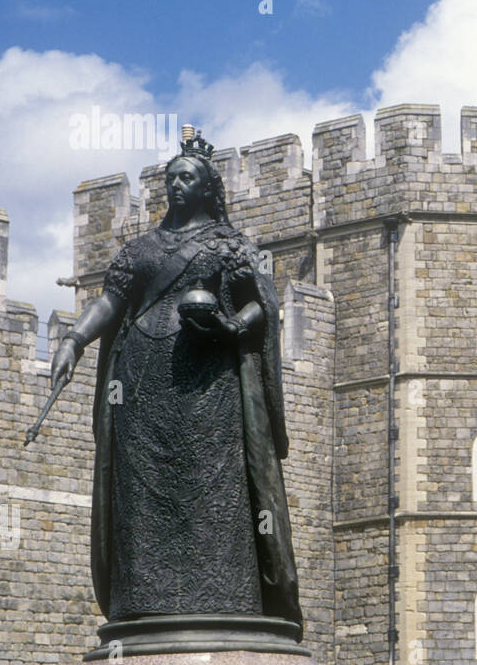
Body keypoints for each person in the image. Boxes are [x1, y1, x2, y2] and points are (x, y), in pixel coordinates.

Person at [52, 129, 302, 631]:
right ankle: (142, 602)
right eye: (171, 179)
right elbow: (111, 301)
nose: (176, 186)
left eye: (186, 177)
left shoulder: (229, 244)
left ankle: (226, 601)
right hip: (141, 386)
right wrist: (74, 341)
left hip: (210, 387)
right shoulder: (142, 249)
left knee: (214, 491)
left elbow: (261, 304)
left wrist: (231, 325)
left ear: (208, 187)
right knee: (143, 496)